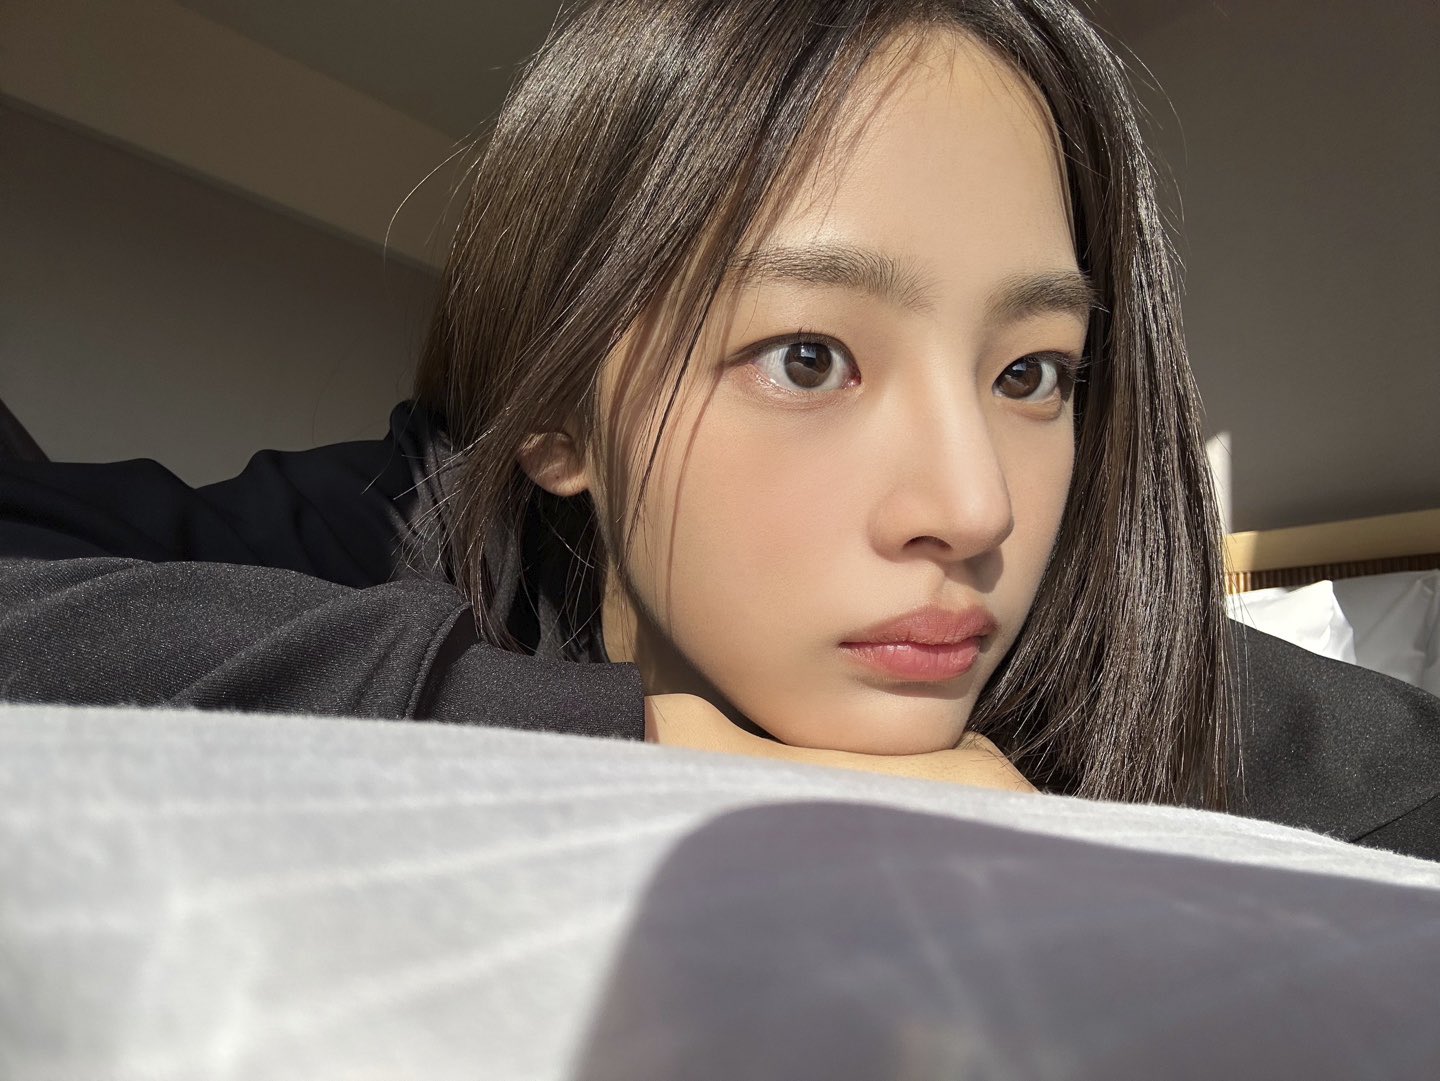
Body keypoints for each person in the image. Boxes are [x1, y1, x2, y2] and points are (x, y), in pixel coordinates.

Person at [2, 0, 1437, 853]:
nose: (975, 509)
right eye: (809, 358)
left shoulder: (1154, 678)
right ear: (561, 415)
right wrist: (614, 741)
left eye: (1031, 374)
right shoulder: (420, 524)